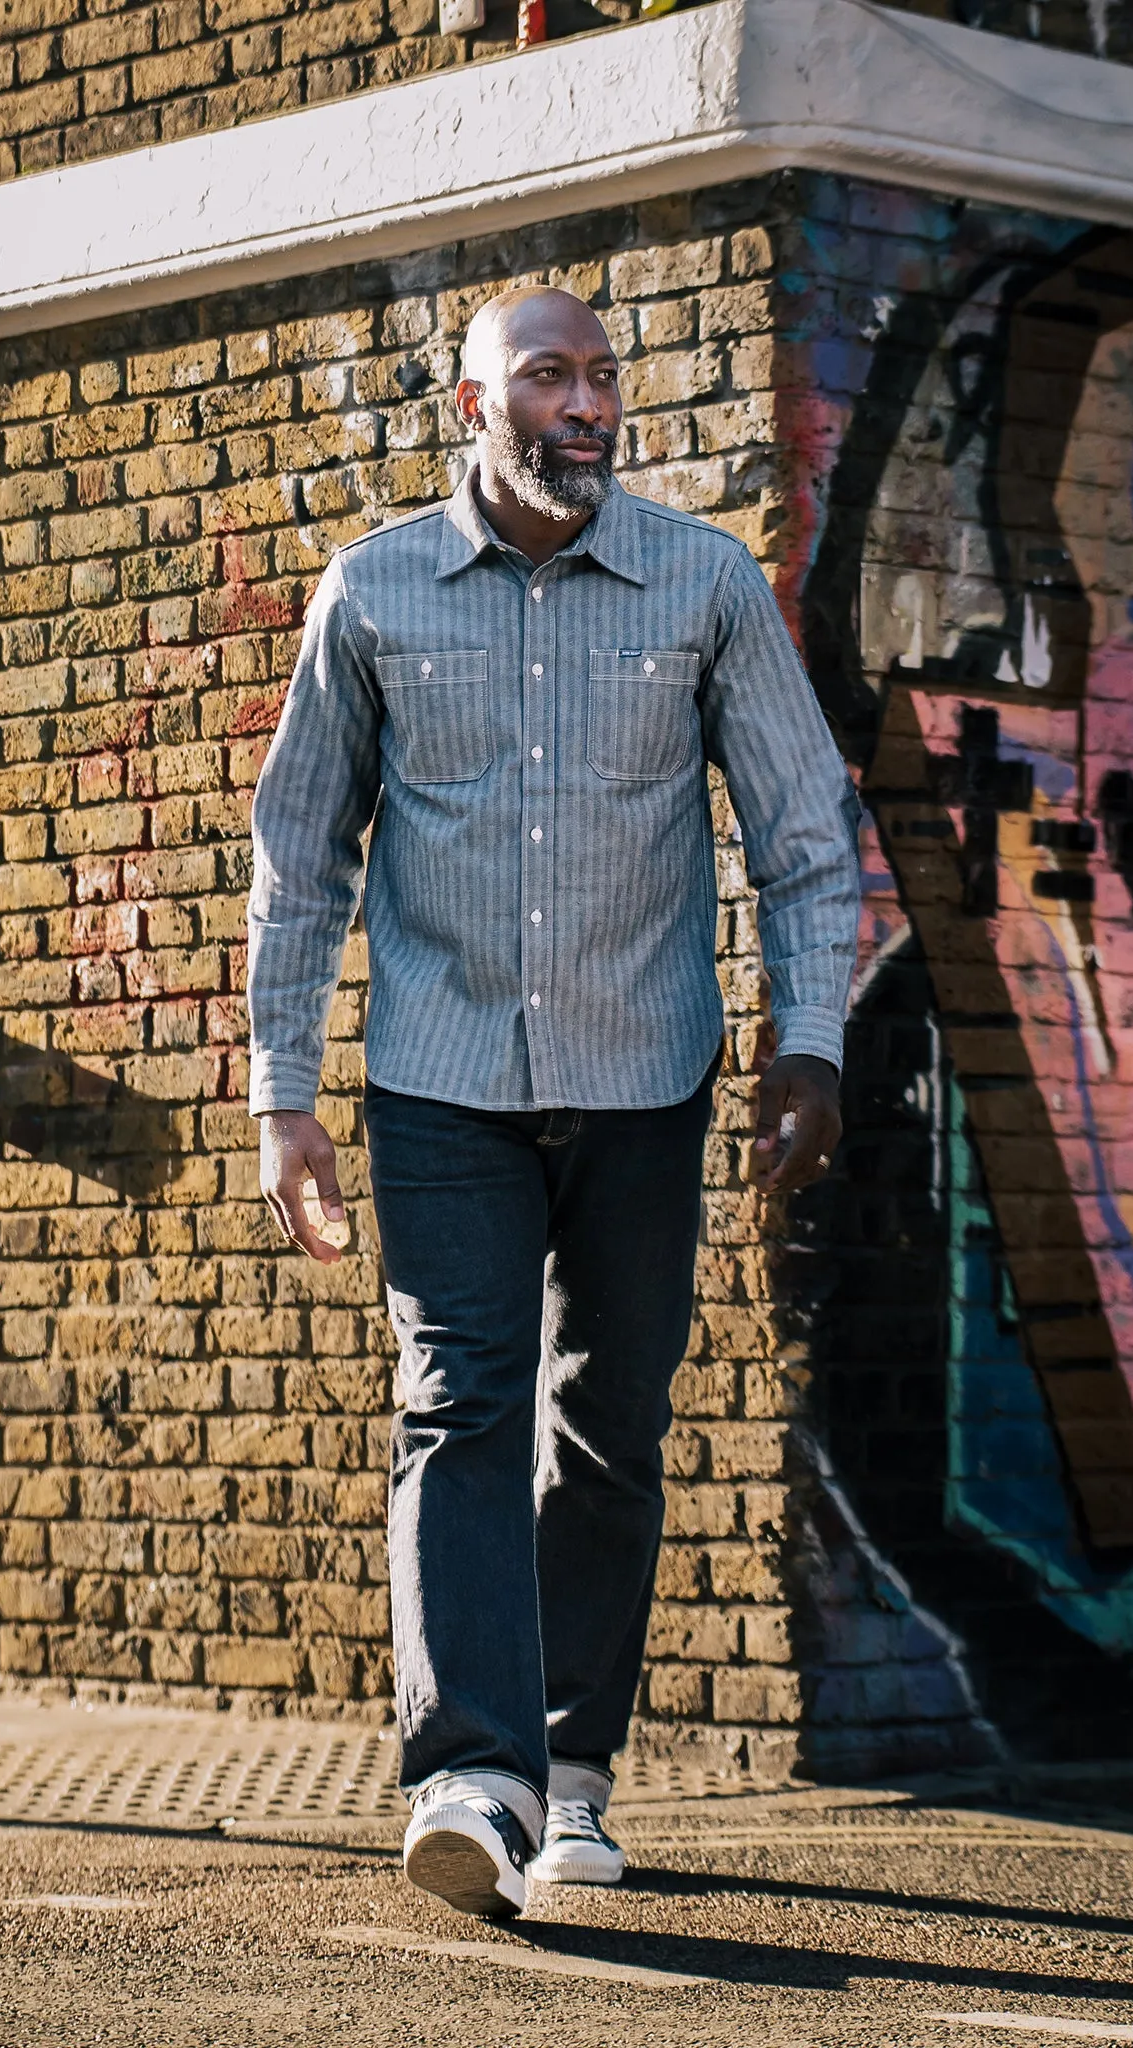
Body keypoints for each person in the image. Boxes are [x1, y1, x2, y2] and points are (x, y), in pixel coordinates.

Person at [247, 285, 860, 1920]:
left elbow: (802, 832)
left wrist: (810, 1043)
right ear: (472, 404)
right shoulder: (370, 594)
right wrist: (279, 1095)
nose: (586, 402)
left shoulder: (703, 583)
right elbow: (298, 856)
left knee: (608, 1422)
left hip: (644, 1074)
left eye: (602, 374)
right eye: (548, 375)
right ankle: (469, 1777)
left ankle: (573, 1777)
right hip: (439, 1073)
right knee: (457, 1397)